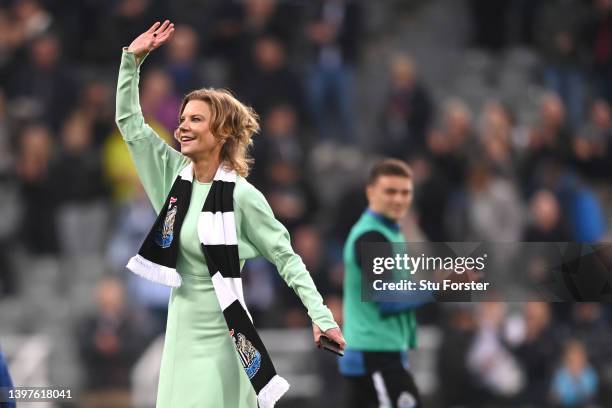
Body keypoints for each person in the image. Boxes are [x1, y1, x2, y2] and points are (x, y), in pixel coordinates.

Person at [116, 20, 345, 408]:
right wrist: (130, 63)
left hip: (224, 339)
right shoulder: (172, 177)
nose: (182, 127)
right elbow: (130, 124)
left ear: (221, 133)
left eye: (195, 120)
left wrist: (322, 316)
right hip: (179, 336)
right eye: (183, 118)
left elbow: (286, 258)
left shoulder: (243, 196)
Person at [340, 159, 423, 408]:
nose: (398, 199)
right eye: (390, 191)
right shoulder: (372, 237)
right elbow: (387, 299)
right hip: (374, 358)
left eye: (405, 192)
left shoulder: (388, 233)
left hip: (381, 355)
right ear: (371, 192)